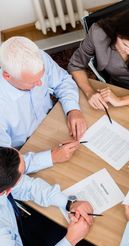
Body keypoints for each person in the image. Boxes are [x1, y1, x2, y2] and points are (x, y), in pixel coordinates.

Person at [0, 147, 105, 246]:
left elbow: (28, 187)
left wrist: (70, 203)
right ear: (6, 192)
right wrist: (70, 240)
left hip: (15, 242)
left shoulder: (3, 181)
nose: (26, 174)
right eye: (22, 174)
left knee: (61, 226)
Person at [0, 36, 87, 174]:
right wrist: (50, 158)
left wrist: (72, 109)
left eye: (41, 77)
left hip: (52, 121)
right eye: (32, 82)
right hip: (23, 151)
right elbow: (3, 164)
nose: (40, 84)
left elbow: (63, 81)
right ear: (7, 76)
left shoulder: (38, 58)